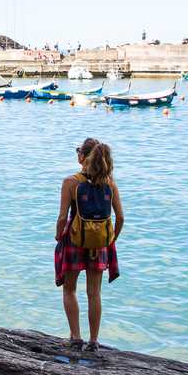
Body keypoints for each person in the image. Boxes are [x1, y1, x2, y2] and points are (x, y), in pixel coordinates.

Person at [54, 138, 124, 352]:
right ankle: (94, 342)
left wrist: (59, 237)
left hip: (74, 240)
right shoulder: (109, 183)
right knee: (94, 293)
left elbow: (62, 217)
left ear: (82, 157)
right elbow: (120, 217)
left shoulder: (70, 182)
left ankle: (76, 338)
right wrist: (111, 239)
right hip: (100, 243)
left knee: (69, 289)